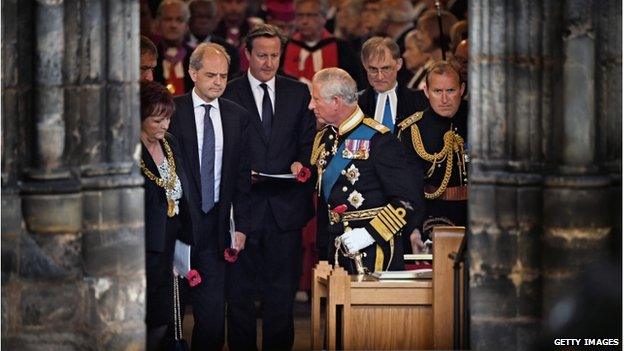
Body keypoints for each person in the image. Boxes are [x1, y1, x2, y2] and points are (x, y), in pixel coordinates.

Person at [222, 23, 316, 351]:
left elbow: (308, 145)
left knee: (280, 299)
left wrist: (300, 165)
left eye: (275, 55)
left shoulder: (298, 92)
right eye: (262, 55)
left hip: (284, 212)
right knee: (240, 298)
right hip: (242, 211)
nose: (268, 62)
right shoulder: (229, 92)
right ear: (247, 54)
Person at [167, 42, 252, 350]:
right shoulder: (172, 111)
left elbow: (243, 177)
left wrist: (239, 225)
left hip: (216, 225)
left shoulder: (237, 116)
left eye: (223, 76)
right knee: (169, 316)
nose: (218, 82)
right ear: (192, 73)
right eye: (210, 75)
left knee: (213, 317)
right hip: (177, 228)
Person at [309, 67, 422, 274]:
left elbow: (408, 200)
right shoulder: (324, 139)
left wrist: (370, 234)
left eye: (316, 99)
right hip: (336, 247)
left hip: (373, 251)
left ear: (336, 102)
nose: (311, 105)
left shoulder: (380, 141)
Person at [140, 80, 197, 350]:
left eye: (168, 119)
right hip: (145, 246)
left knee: (169, 314)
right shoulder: (130, 150)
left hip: (173, 239)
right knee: (148, 314)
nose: (164, 126)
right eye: (156, 120)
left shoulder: (170, 142)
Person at [396, 60, 468, 252]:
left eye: (451, 91)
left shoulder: (480, 121)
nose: (444, 99)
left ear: (462, 89)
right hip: (432, 215)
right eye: (437, 91)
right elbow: (408, 188)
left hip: (478, 213)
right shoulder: (413, 129)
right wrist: (413, 228)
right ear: (426, 92)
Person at [283, 0, 363, 88]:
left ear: (324, 17)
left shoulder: (341, 48)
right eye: (300, 15)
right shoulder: (285, 46)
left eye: (311, 15)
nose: (304, 21)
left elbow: (355, 83)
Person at [358, 37, 429, 133]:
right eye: (373, 69)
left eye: (386, 68)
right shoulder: (355, 105)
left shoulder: (420, 102)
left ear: (398, 64)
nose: (380, 77)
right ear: (364, 65)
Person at [185, 0, 240, 77]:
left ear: (215, 20)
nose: (203, 21)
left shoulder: (229, 51)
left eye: (208, 17)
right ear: (189, 18)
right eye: (199, 16)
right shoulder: (179, 46)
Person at [153, 0, 194, 95]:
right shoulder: (150, 56)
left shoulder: (197, 57)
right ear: (158, 23)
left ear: (187, 25)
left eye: (179, 20)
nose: (173, 25)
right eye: (168, 19)